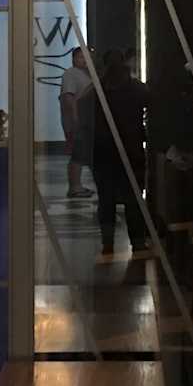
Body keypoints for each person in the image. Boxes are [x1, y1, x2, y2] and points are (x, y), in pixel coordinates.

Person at [89, 49, 150, 258]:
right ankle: (138, 242)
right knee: (134, 198)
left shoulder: (98, 89)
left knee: (106, 199)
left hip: (103, 150)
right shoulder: (136, 88)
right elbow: (151, 101)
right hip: (132, 150)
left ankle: (107, 243)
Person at [59, 47, 93, 199]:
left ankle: (77, 185)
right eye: (81, 57)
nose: (84, 60)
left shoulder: (87, 74)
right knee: (77, 153)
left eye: (87, 57)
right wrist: (75, 117)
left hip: (85, 120)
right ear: (74, 59)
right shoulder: (71, 74)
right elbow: (68, 97)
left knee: (81, 152)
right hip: (77, 121)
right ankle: (74, 187)